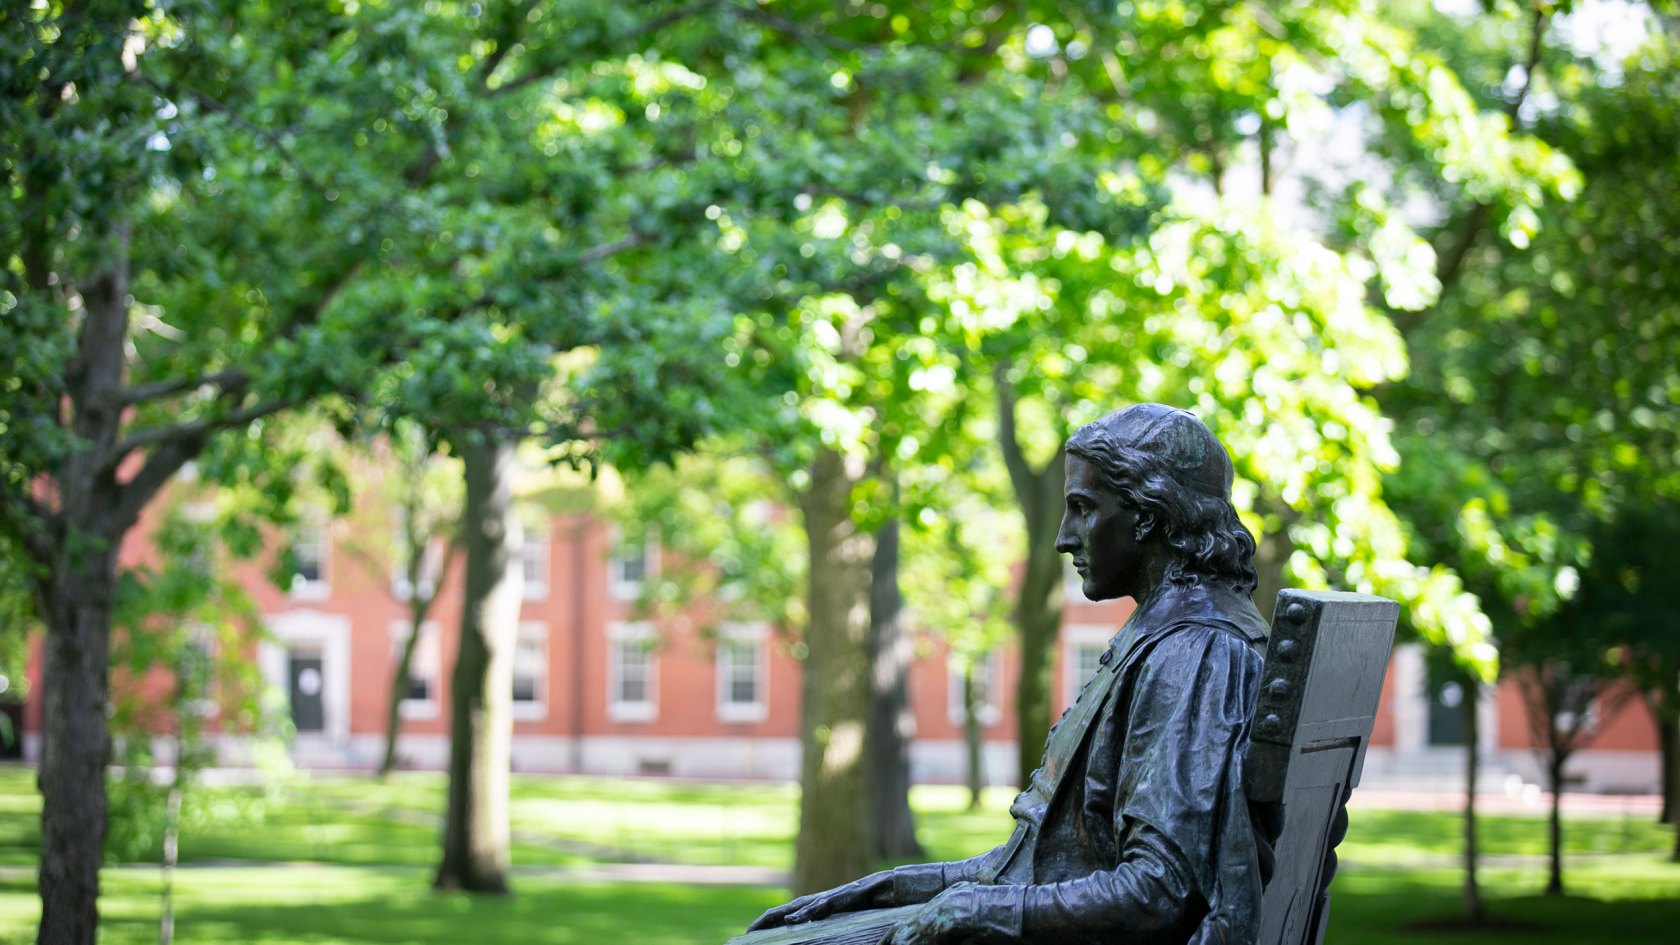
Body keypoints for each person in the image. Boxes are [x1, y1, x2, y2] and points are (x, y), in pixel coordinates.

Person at [745, 404, 1274, 945]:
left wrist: (980, 913)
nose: (1064, 538)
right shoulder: (1170, 637)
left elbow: (1159, 892)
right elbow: (1041, 861)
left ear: (1147, 514)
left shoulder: (1195, 653)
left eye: (1082, 508)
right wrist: (889, 886)